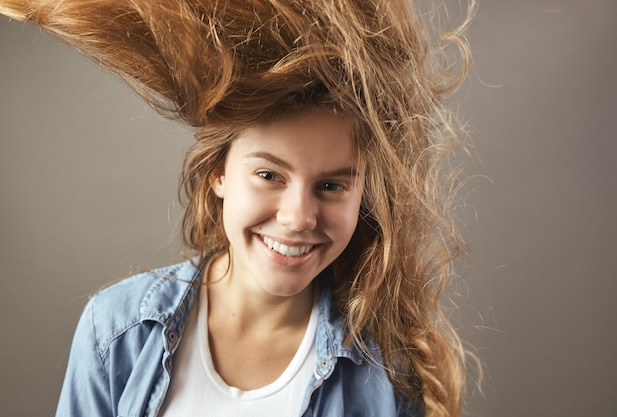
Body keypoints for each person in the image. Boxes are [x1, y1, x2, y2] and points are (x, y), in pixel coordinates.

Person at [1, 0, 475, 416]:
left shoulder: (390, 373)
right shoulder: (116, 332)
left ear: (364, 194)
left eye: (331, 185)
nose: (297, 217)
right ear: (219, 173)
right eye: (269, 175)